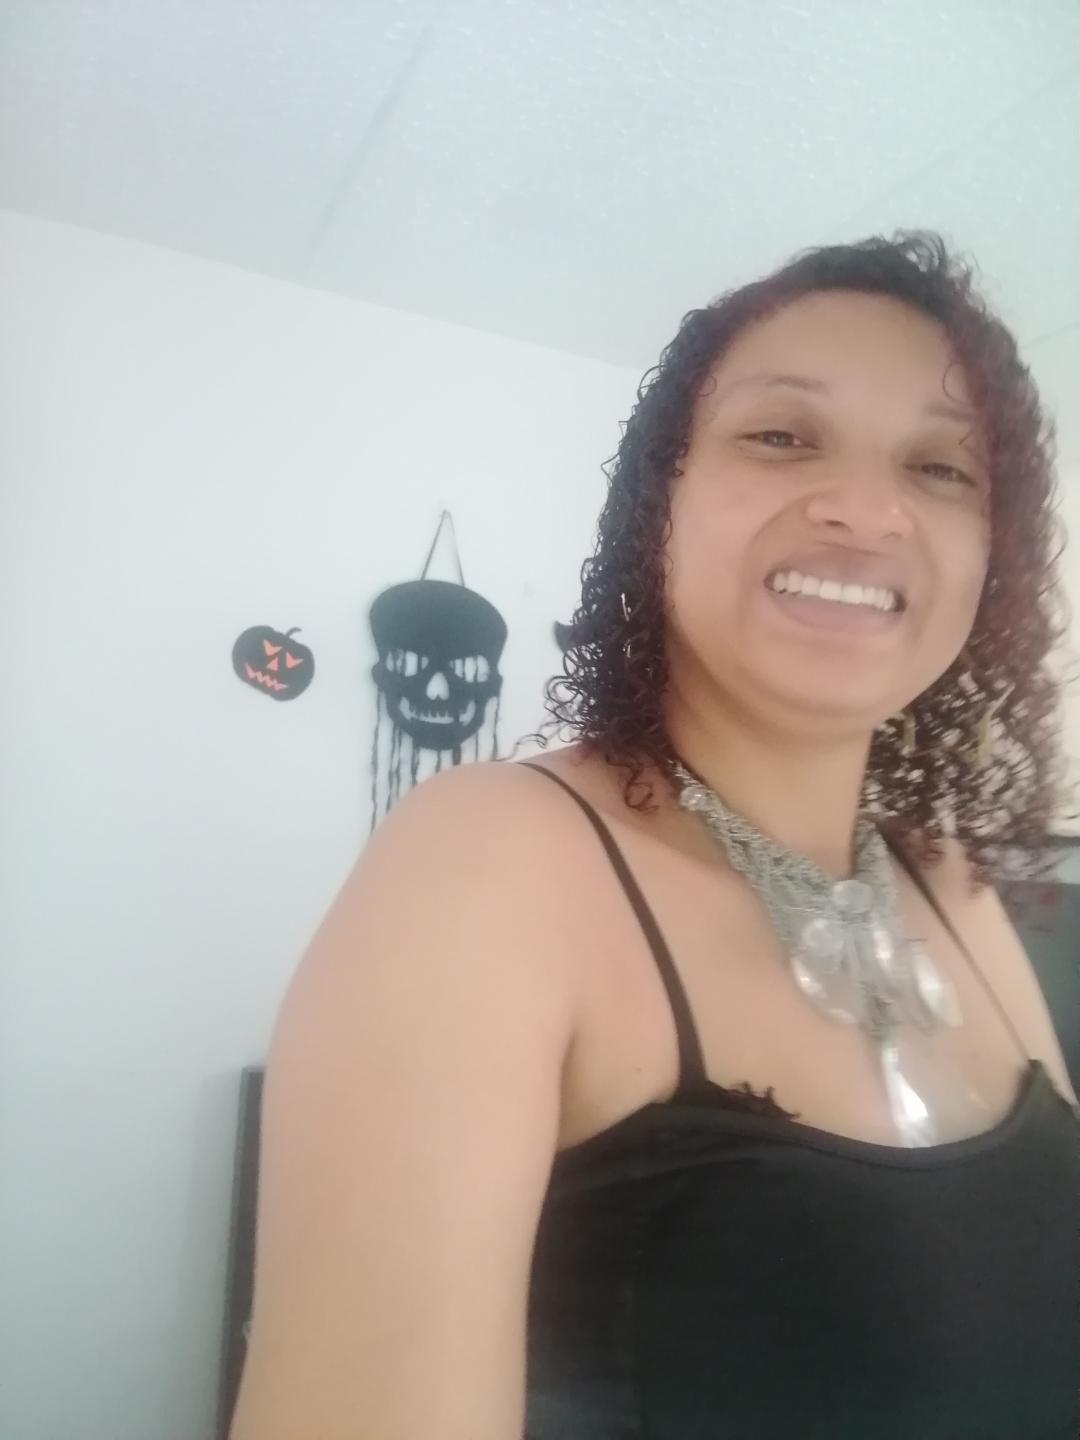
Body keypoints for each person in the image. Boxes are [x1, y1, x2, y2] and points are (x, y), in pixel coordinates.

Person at [228, 233, 1080, 1440]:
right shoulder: (495, 859)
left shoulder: (953, 884)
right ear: (657, 506)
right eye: (780, 436)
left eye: (943, 467)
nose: (866, 508)